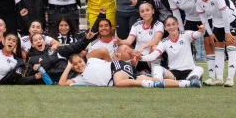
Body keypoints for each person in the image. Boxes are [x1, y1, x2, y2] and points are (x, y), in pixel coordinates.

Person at [58, 48, 200, 88]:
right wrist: (68, 66)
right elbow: (62, 83)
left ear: (83, 60)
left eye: (79, 62)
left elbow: (109, 61)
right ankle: (187, 83)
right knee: (153, 80)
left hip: (118, 68)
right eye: (75, 65)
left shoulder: (92, 61)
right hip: (118, 78)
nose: (79, 65)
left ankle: (147, 83)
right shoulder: (80, 78)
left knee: (119, 82)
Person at [193, 0, 236, 87]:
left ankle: (230, 79)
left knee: (230, 48)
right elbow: (203, 19)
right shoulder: (197, 0)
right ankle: (218, 78)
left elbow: (224, 13)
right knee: (218, 49)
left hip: (230, 19)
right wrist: (210, 33)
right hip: (217, 22)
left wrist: (227, 32)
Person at [137, 16, 205, 84]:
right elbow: (154, 55)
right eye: (168, 25)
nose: (171, 27)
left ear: (178, 25)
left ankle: (190, 79)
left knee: (199, 69)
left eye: (173, 24)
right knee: (157, 68)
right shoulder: (164, 42)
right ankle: (158, 81)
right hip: (173, 73)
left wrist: (202, 30)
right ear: (165, 28)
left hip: (189, 71)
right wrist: (141, 58)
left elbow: (198, 34)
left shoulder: (186, 34)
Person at [18, 32, 95, 84]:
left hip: (79, 73)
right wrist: (34, 76)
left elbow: (74, 47)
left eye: (40, 39)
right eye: (35, 40)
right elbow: (22, 80)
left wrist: (86, 39)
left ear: (44, 41)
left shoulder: (56, 49)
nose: (38, 41)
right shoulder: (32, 60)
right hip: (65, 82)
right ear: (32, 45)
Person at [116, 3, 164, 73]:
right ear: (140, 14)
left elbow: (157, 40)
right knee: (122, 48)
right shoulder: (136, 25)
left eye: (147, 10)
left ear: (153, 11)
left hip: (150, 58)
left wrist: (144, 46)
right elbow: (129, 41)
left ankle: (155, 72)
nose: (145, 13)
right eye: (142, 11)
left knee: (155, 47)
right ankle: (129, 72)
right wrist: (119, 41)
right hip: (136, 57)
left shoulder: (159, 24)